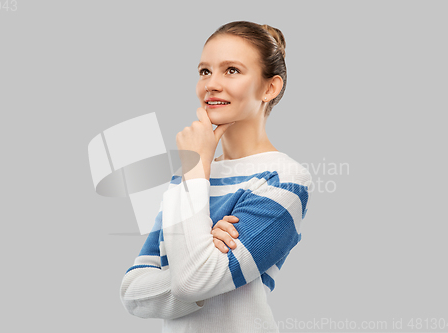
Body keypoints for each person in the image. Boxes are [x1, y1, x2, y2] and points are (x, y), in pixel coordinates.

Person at [120, 20, 313, 333]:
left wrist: (196, 170)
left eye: (232, 70)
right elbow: (132, 292)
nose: (211, 84)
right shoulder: (187, 179)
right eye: (204, 71)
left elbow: (192, 282)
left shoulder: (284, 178)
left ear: (270, 88)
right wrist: (204, 247)